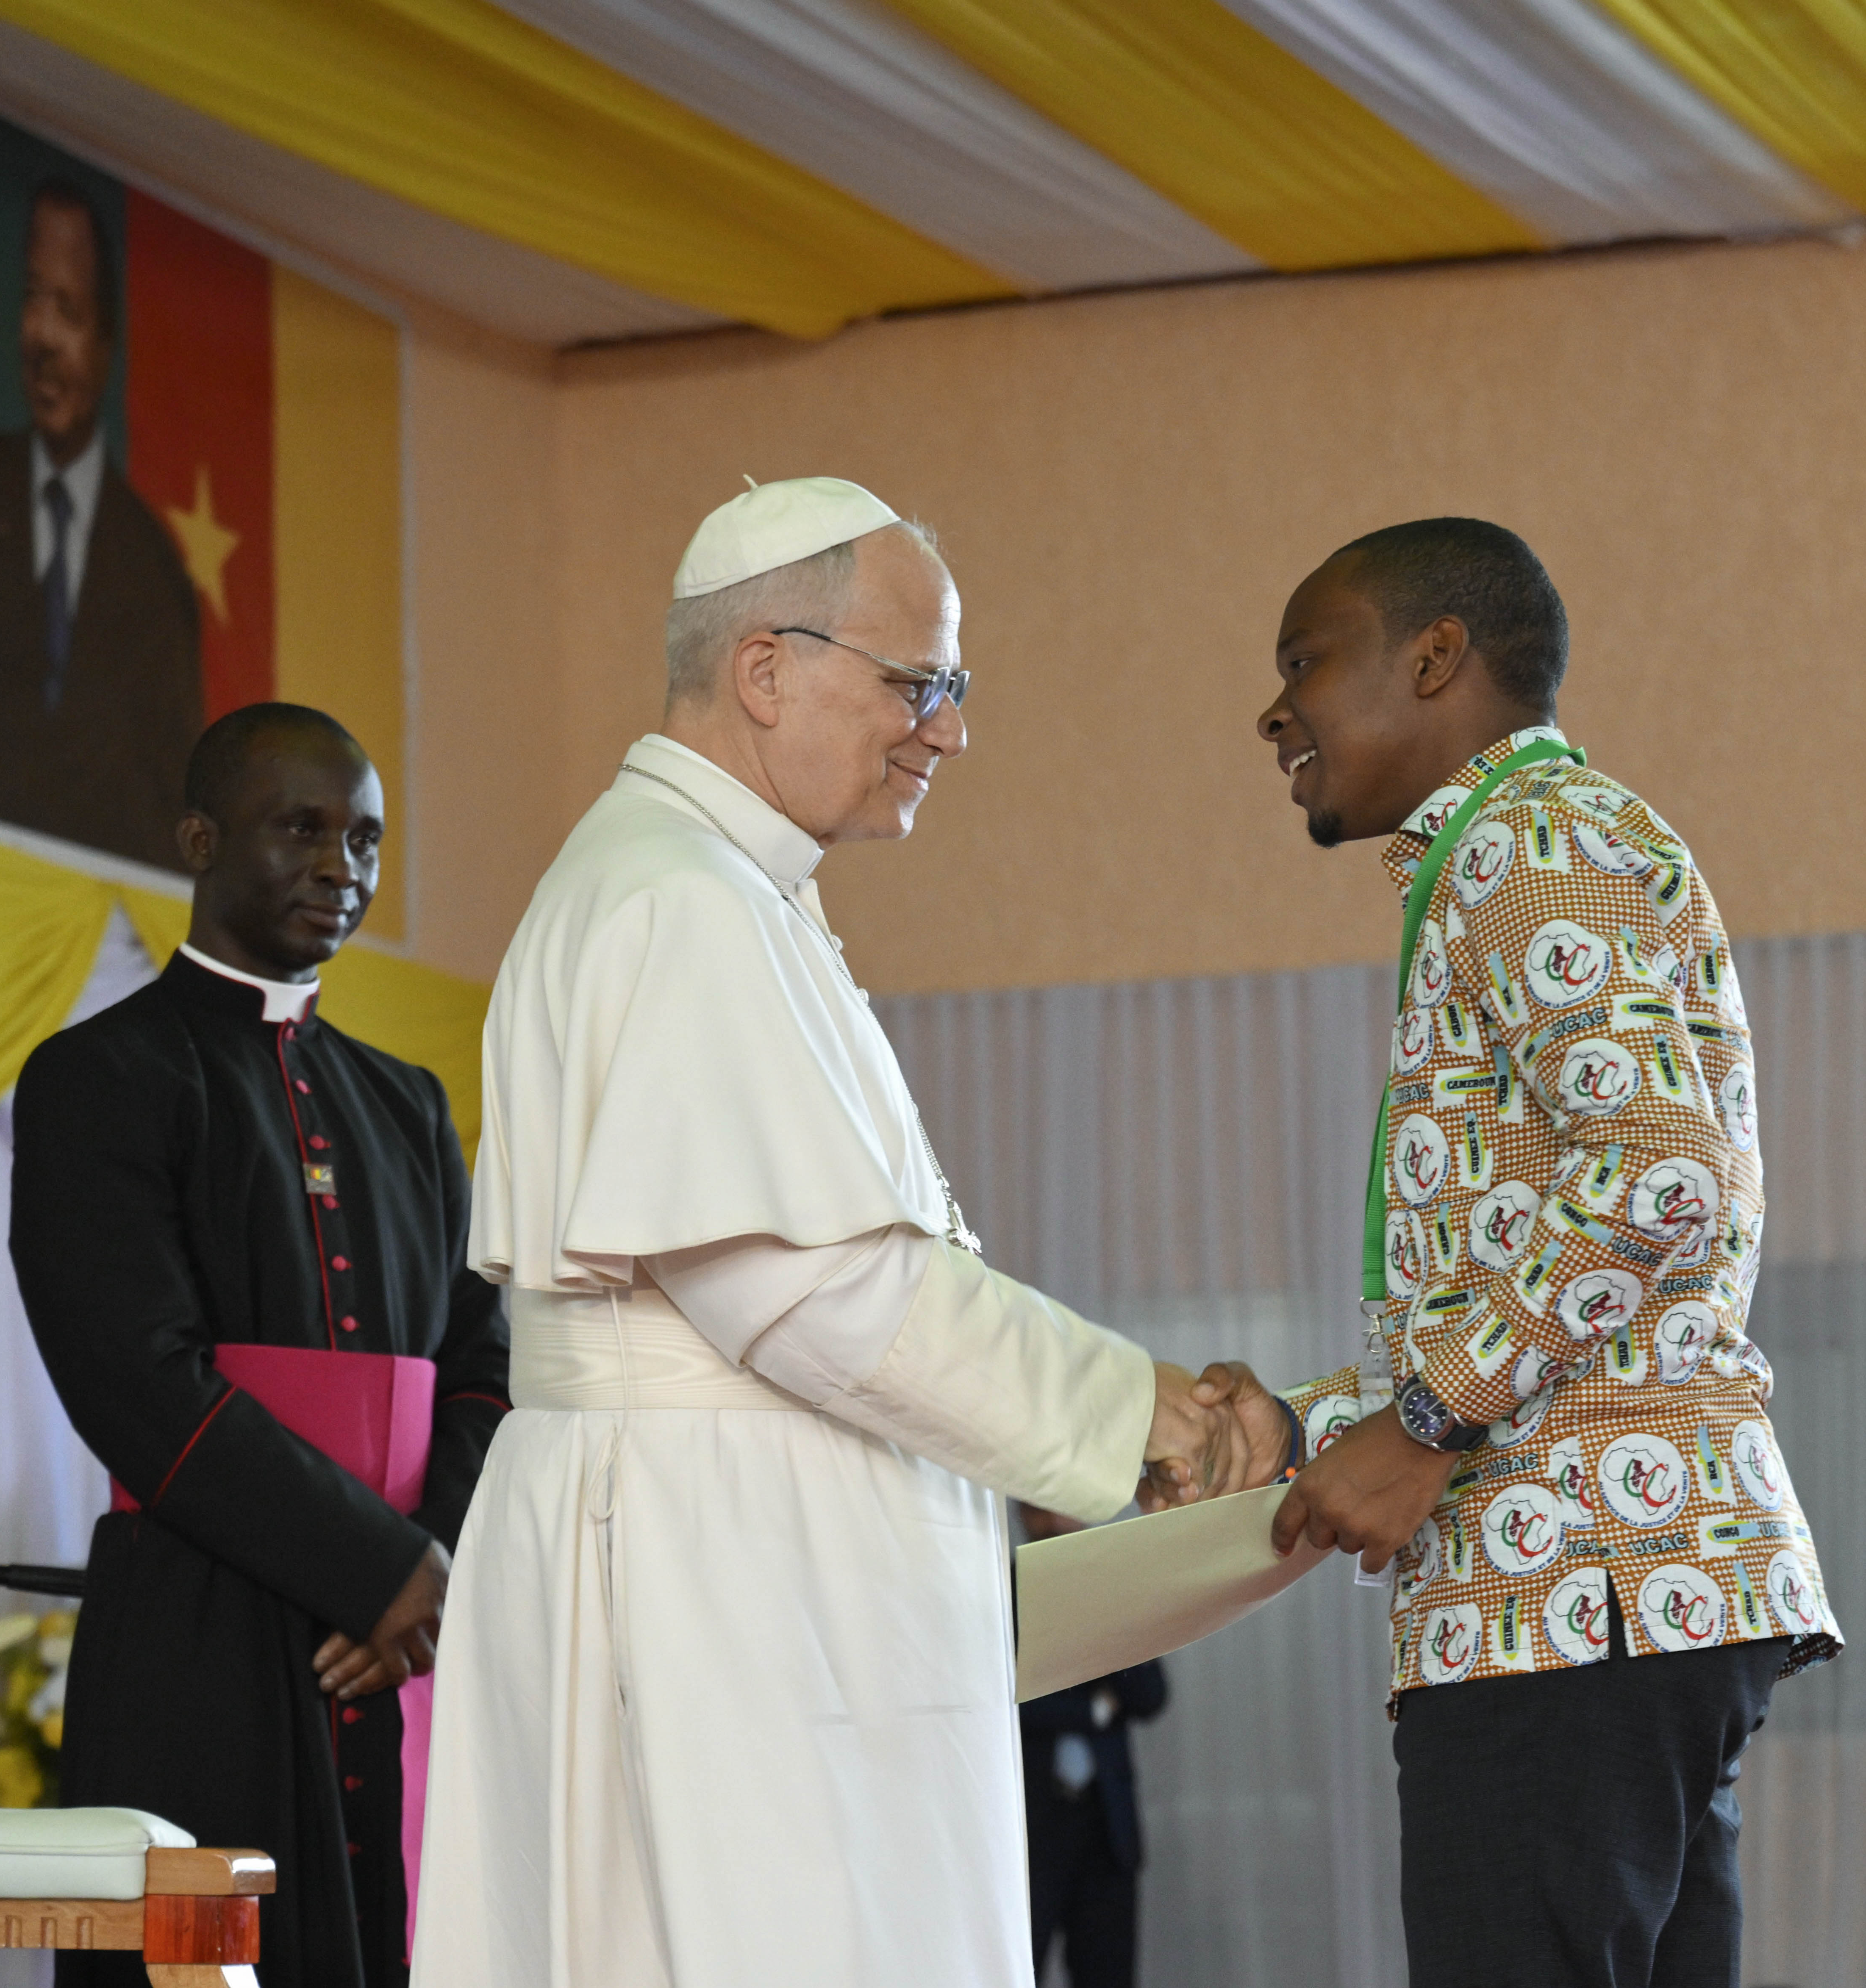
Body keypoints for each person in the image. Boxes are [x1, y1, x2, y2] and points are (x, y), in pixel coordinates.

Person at [414, 477, 1288, 1988]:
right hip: (718, 1571)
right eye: (918, 681)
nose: (947, 727)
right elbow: (817, 1290)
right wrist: (1134, 1411)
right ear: (766, 667)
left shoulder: (717, 888)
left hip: (730, 1549)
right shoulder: (677, 901)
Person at [1255, 517, 1838, 1988]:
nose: (1275, 711)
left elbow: (1660, 1174)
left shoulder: (1520, 836)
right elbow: (1574, 1235)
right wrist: (1299, 1428)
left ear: (1435, 656)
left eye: (1305, 662)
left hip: (1568, 1591)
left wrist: (1421, 1420)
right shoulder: (1523, 844)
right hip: (1617, 1584)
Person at [11, 702, 510, 1988]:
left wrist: (425, 1567)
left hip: (408, 1640)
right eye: (302, 827)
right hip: (202, 1636)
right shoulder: (100, 1078)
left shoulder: (407, 1105)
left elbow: (482, 1362)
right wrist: (370, 1567)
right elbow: (134, 1376)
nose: (341, 865)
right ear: (198, 837)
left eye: (367, 838)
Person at [0, 175, 204, 868]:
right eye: (31, 301)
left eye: (67, 311)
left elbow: (171, 831)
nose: (39, 335)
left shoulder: (156, 577)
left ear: (105, 345)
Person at [1019, 1506, 1168, 1988]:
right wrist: (1093, 1711)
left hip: (1105, 1831)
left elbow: (1149, 1696)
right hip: (1031, 1830)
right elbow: (1000, 1703)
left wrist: (1093, 1611)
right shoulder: (1002, 1588)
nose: (1060, 1516)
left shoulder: (1111, 1588)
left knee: (1108, 1973)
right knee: (1019, 1970)